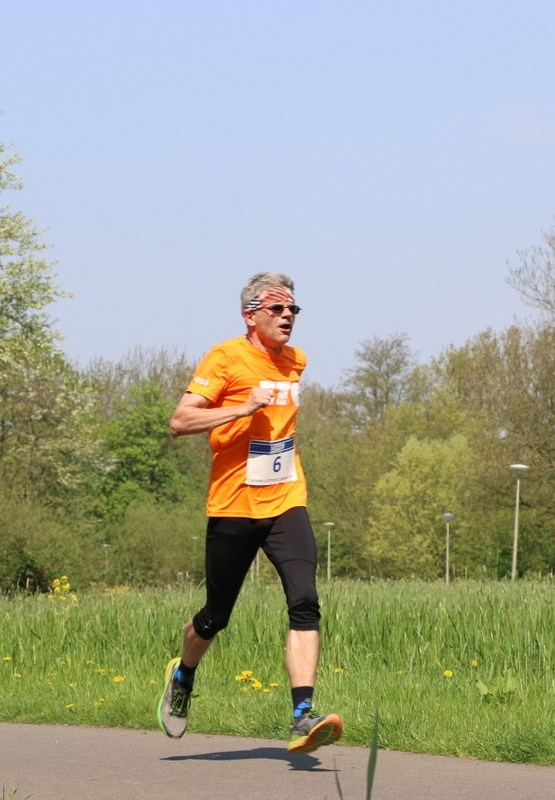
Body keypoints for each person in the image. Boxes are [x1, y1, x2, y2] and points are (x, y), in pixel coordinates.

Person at [157, 271, 343, 755]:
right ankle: (183, 675)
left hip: (286, 499)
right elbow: (180, 421)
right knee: (215, 616)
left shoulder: (296, 360)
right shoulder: (224, 358)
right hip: (234, 504)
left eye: (293, 309)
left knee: (305, 599)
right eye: (277, 309)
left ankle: (303, 715)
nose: (287, 316)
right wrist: (241, 407)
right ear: (250, 315)